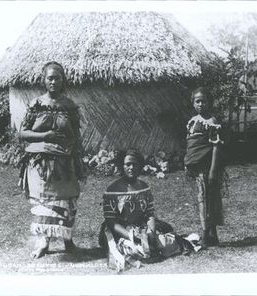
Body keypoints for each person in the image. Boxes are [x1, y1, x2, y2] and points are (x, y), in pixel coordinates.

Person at [18, 61, 86, 259]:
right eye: (50, 78)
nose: (54, 81)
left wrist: (77, 156)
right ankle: (44, 242)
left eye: (57, 78)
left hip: (65, 163)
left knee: (67, 202)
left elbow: (76, 134)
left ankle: (67, 239)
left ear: (63, 80)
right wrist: (45, 136)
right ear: (44, 80)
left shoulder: (70, 106)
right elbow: (23, 133)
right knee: (45, 203)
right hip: (41, 164)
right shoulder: (36, 104)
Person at [99, 149, 199, 271]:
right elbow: (111, 221)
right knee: (134, 249)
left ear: (140, 166)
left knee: (163, 244)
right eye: (127, 164)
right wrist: (131, 236)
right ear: (121, 165)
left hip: (140, 227)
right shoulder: (112, 190)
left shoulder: (144, 187)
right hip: (120, 231)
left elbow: (149, 214)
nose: (131, 167)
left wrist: (151, 232)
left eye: (135, 164)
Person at [184, 86, 225, 248]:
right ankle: (212, 234)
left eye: (204, 101)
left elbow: (216, 147)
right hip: (196, 166)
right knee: (206, 198)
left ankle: (205, 235)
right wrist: (187, 163)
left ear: (209, 102)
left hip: (207, 167)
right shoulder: (193, 121)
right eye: (197, 101)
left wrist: (213, 170)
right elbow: (191, 145)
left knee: (206, 200)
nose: (201, 104)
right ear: (193, 103)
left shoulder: (211, 122)